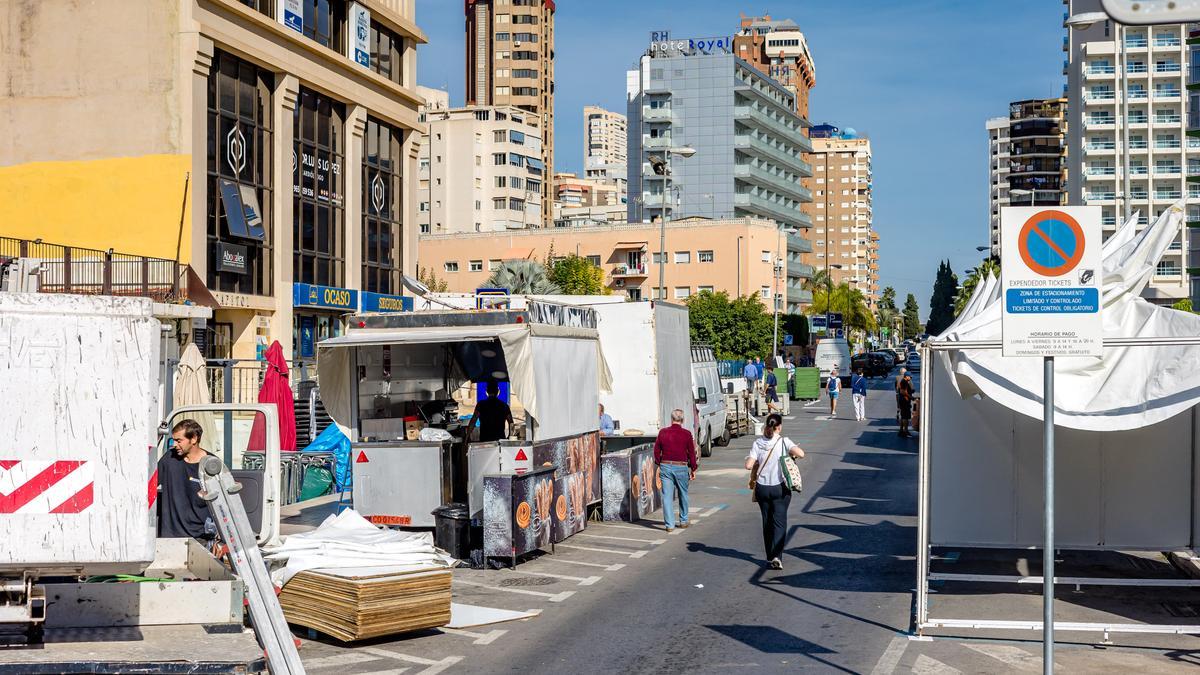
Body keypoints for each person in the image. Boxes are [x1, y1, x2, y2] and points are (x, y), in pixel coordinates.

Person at [745, 413, 805, 570]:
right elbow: (801, 453)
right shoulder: (784, 441)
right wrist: (791, 453)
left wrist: (755, 459)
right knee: (779, 522)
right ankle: (777, 556)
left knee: (766, 521)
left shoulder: (758, 443)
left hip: (762, 488)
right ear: (779, 427)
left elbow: (748, 465)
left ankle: (769, 556)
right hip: (779, 487)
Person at [158, 419, 217, 543]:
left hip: (200, 539)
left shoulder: (211, 465)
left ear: (194, 439)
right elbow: (149, 485)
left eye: (179, 441)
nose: (174, 444)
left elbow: (222, 505)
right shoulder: (169, 458)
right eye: (174, 440)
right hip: (170, 537)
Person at [653, 408, 698, 532]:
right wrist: (693, 468)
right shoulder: (687, 434)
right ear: (682, 420)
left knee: (667, 496)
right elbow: (691, 453)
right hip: (681, 466)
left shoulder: (663, 432)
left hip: (666, 466)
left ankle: (669, 525)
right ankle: (683, 521)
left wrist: (659, 462)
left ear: (671, 419)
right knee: (683, 494)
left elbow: (656, 450)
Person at [898, 372, 915, 438]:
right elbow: (903, 391)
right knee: (906, 417)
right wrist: (911, 397)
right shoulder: (904, 382)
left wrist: (911, 391)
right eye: (910, 377)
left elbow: (905, 391)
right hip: (905, 401)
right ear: (906, 376)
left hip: (903, 401)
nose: (910, 378)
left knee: (903, 416)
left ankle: (901, 431)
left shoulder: (904, 381)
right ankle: (906, 431)